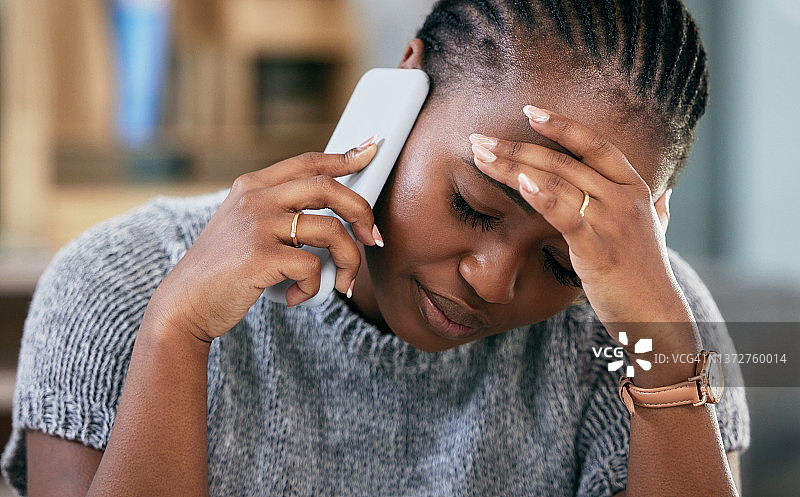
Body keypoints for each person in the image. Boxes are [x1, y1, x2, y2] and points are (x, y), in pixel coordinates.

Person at [2, 0, 750, 496]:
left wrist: (664, 347)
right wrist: (175, 333)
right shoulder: (118, 285)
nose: (492, 282)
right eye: (474, 204)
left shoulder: (645, 330)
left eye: (566, 262)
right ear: (402, 88)